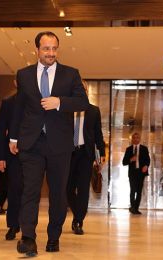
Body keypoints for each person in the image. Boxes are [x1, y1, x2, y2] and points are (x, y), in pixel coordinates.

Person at [9, 31, 89, 256]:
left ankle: (54, 237)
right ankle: (28, 238)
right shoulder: (24, 75)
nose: (51, 53)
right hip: (31, 143)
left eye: (54, 48)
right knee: (30, 192)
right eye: (46, 49)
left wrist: (60, 102)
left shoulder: (70, 74)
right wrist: (13, 138)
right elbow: (19, 109)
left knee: (57, 194)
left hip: (59, 144)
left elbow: (83, 102)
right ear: (37, 50)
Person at [66, 80, 105, 235]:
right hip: (69, 154)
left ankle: (78, 221)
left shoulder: (94, 111)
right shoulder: (67, 110)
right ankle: (78, 214)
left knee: (83, 189)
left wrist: (101, 155)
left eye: (84, 88)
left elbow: (98, 135)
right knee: (67, 188)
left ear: (87, 91)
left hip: (85, 154)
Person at [0, 83, 23, 240]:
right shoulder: (8, 103)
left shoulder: (37, 101)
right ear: (15, 83)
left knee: (29, 191)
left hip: (33, 154)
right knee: (14, 189)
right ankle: (13, 225)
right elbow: (0, 131)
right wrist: (0, 157)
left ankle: (27, 225)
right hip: (12, 154)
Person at [122, 133, 150, 215]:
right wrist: (131, 159)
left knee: (139, 191)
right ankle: (133, 207)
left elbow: (148, 160)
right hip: (132, 173)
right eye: (134, 138)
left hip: (141, 173)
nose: (136, 139)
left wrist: (146, 166)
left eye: (137, 137)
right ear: (132, 139)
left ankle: (135, 208)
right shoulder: (129, 149)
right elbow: (124, 162)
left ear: (139, 139)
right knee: (133, 190)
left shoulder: (144, 149)